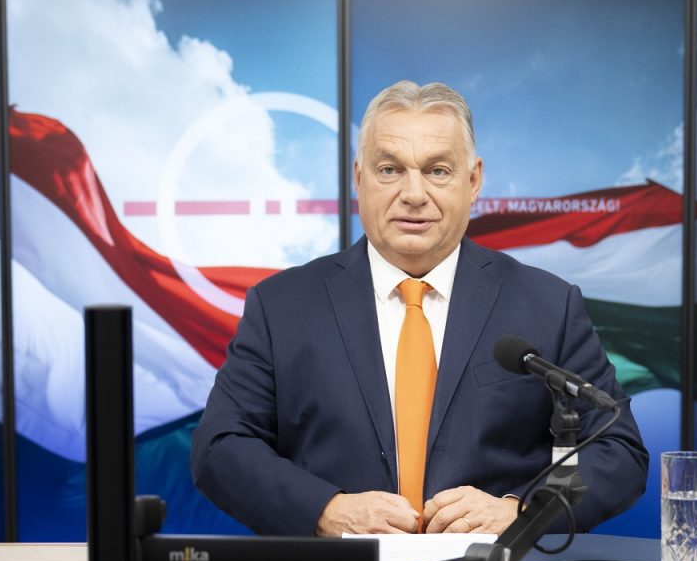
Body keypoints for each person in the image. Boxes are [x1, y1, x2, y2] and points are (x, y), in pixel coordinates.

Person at [191, 81, 647, 537]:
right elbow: (221, 447)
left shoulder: (548, 305)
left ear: (473, 181)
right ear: (359, 178)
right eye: (390, 170)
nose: (413, 194)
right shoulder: (282, 306)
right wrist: (326, 510)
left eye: (438, 171)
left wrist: (522, 512)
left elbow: (617, 449)